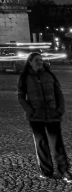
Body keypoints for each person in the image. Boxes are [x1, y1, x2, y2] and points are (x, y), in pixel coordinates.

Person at [17, 51, 72, 182]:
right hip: (36, 116)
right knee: (41, 144)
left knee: (57, 144)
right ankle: (46, 171)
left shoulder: (49, 74)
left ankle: (64, 171)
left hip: (53, 114)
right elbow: (21, 96)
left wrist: (60, 109)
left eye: (41, 60)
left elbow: (58, 93)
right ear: (30, 62)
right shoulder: (25, 77)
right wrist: (30, 111)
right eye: (36, 60)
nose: (40, 62)